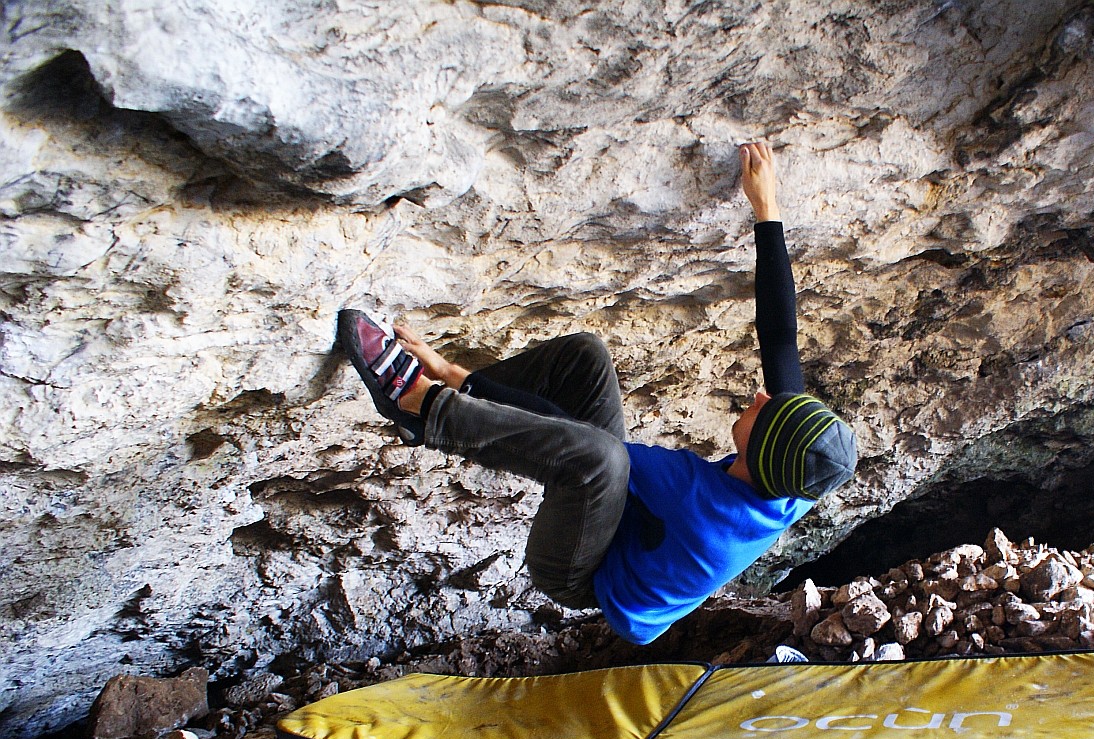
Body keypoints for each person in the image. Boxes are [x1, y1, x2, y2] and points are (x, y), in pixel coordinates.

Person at [338, 142, 856, 645]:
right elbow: (780, 336)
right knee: (583, 358)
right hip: (634, 522)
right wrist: (767, 208)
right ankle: (453, 402)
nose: (762, 398)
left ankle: (418, 403)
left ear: (759, 450)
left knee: (602, 458)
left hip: (581, 571)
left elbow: (575, 439)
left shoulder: (698, 502)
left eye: (765, 411)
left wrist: (452, 375)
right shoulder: (795, 474)